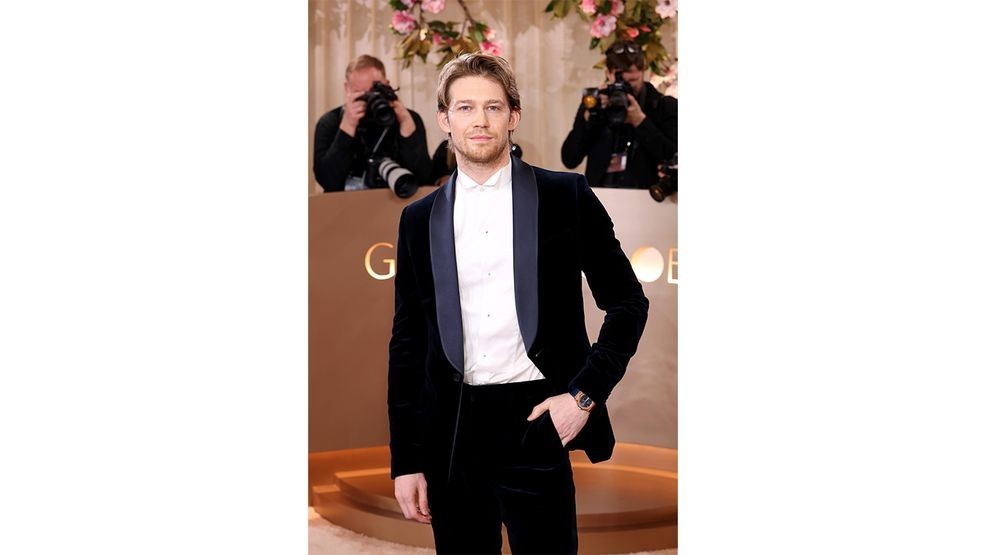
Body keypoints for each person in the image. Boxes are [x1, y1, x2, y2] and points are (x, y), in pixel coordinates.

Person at [388, 52, 649, 554]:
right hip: (452, 430)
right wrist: (407, 458)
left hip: (535, 420)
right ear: (444, 118)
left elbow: (627, 303)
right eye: (465, 108)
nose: (480, 121)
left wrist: (583, 398)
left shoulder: (565, 196)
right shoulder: (418, 220)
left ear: (514, 116)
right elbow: (408, 343)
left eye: (493, 107)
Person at [560, 41, 677, 189]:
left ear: (643, 72)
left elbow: (674, 160)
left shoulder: (664, 106)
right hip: (600, 197)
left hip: (646, 201)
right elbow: (569, 159)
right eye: (621, 80)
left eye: (633, 80)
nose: (627, 86)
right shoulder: (595, 103)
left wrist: (641, 122)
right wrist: (589, 119)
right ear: (608, 73)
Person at [312, 55, 431, 193]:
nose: (369, 99)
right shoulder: (330, 123)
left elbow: (424, 178)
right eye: (359, 93)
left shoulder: (408, 118)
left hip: (399, 208)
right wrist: (348, 127)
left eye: (374, 91)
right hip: (344, 209)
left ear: (387, 85)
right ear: (347, 89)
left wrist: (406, 125)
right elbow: (328, 183)